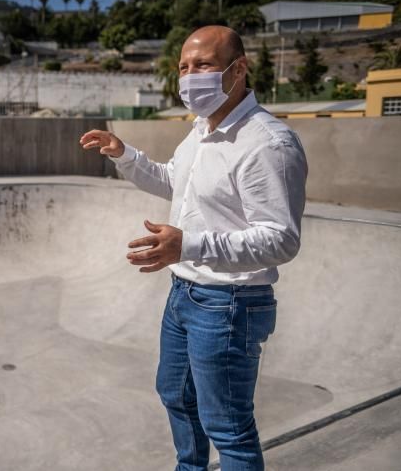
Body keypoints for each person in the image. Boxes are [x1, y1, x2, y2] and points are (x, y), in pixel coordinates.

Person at [79, 25, 307, 470]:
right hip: (185, 295)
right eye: (183, 67)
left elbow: (281, 238)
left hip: (230, 304)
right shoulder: (201, 131)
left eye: (202, 65)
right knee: (176, 396)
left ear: (238, 69)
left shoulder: (268, 143)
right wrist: (124, 154)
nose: (188, 76)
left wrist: (189, 244)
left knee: (229, 428)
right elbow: (173, 182)